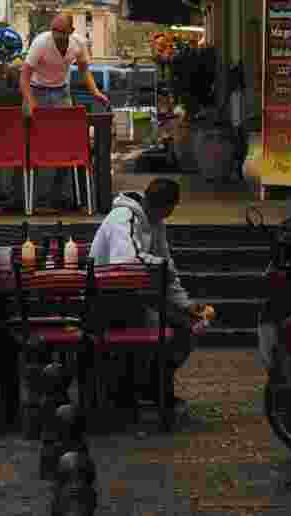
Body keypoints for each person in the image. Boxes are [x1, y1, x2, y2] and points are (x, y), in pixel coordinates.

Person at [88, 177, 213, 413]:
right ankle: (149, 390)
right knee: (157, 326)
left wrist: (186, 305)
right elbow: (126, 261)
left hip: (136, 297)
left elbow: (168, 271)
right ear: (167, 207)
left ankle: (152, 385)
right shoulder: (122, 217)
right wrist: (160, 265)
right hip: (107, 301)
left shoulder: (156, 223)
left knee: (190, 326)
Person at [19, 13, 109, 206]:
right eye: (54, 30)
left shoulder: (78, 43)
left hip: (61, 92)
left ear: (71, 31)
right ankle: (23, 195)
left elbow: (85, 70)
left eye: (61, 31)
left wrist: (95, 92)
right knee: (28, 138)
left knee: (65, 140)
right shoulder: (41, 42)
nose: (57, 35)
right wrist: (31, 102)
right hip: (36, 90)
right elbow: (24, 77)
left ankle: (60, 194)